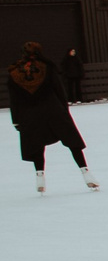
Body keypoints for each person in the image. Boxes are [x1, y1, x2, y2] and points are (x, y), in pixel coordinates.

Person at [9, 41, 96, 193]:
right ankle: (86, 173)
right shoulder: (47, 67)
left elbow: (14, 98)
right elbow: (59, 90)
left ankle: (39, 178)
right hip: (52, 109)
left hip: (28, 113)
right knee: (72, 141)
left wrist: (16, 119)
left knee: (37, 145)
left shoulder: (15, 72)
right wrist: (64, 110)